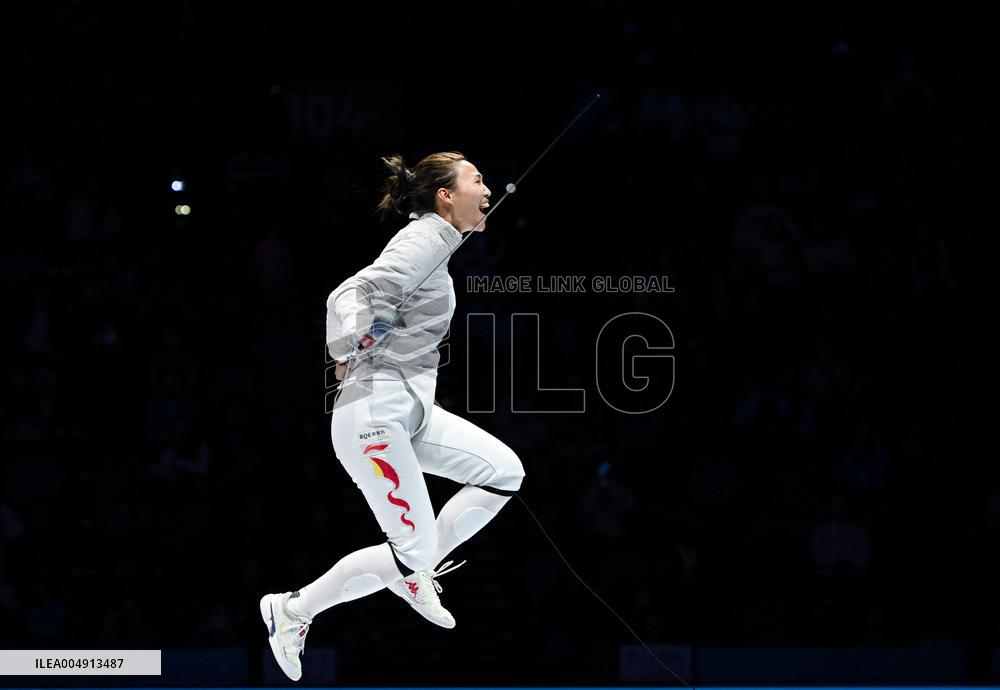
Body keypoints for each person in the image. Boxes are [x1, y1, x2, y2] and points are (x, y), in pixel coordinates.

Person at [259, 151, 525, 681]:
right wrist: (353, 339)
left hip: (413, 411)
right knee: (415, 551)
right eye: (477, 179)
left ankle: (412, 569)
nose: (490, 187)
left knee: (502, 473)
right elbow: (349, 293)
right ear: (445, 195)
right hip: (375, 414)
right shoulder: (424, 238)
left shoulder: (438, 247)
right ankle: (294, 609)